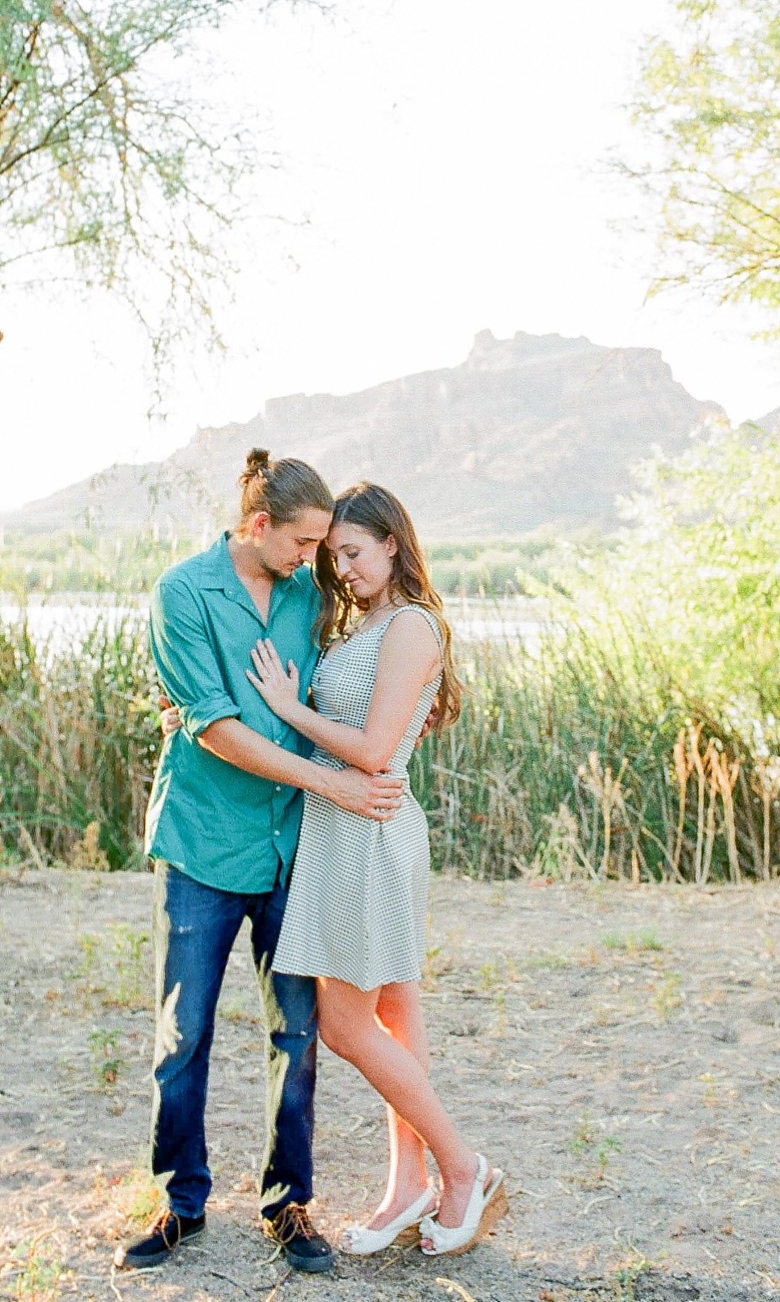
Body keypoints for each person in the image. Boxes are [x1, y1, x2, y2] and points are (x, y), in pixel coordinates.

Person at [113, 451, 405, 1275]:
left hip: (294, 847)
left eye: (326, 544)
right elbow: (212, 725)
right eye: (305, 541)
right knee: (184, 1033)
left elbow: (353, 675)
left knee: (299, 1032)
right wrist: (332, 782)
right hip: (204, 844)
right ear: (257, 526)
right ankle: (181, 1204)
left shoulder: (313, 597)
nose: (316, 558)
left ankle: (289, 1205)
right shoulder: (182, 593)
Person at [244, 482, 507, 1258]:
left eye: (354, 553)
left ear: (392, 543)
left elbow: (371, 749)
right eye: (333, 557)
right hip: (342, 828)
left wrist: (288, 708)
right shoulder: (369, 623)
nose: (344, 569)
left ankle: (461, 1169)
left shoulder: (412, 627)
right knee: (396, 1015)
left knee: (347, 1024)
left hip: (369, 833)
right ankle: (407, 1187)